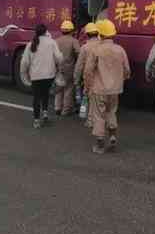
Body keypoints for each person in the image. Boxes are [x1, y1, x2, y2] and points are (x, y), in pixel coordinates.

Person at [84, 19, 130, 154]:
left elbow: (88, 71)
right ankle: (113, 136)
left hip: (99, 89)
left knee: (99, 115)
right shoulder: (120, 50)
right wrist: (121, 80)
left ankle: (99, 145)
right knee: (111, 112)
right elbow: (127, 70)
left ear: (100, 34)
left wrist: (87, 86)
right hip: (115, 89)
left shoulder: (96, 50)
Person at [20, 24, 63, 129]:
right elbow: (59, 58)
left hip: (36, 76)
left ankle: (36, 120)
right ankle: (45, 113)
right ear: (46, 32)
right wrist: (58, 66)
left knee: (36, 97)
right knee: (45, 94)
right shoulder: (52, 42)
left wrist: (24, 75)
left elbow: (24, 62)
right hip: (49, 75)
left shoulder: (30, 45)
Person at [74, 22, 100, 128]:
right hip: (101, 76)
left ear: (87, 34)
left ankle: (90, 121)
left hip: (89, 76)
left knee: (89, 98)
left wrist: (76, 79)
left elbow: (79, 65)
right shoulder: (102, 45)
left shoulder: (85, 47)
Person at [54, 20, 81, 117]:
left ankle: (57, 107)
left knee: (59, 88)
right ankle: (65, 110)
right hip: (69, 69)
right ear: (71, 30)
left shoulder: (56, 41)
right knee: (68, 89)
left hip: (58, 68)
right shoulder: (74, 41)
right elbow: (79, 53)